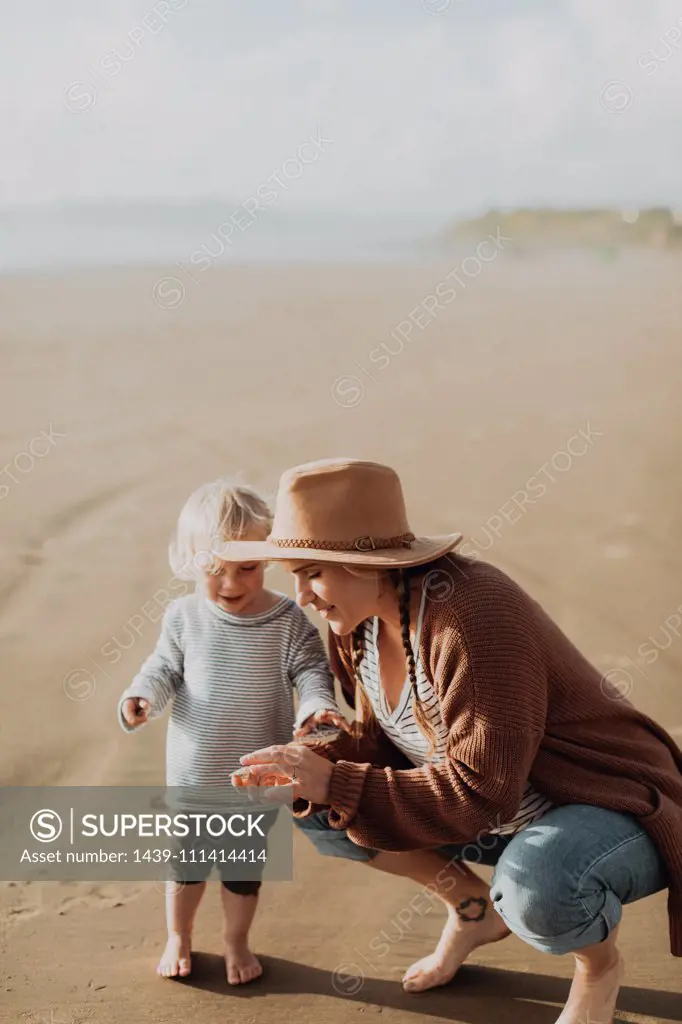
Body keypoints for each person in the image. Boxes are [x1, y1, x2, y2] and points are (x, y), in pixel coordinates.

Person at [228, 457, 682, 1024]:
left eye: (313, 571)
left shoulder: (472, 616)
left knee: (535, 888)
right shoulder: (359, 620)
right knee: (316, 802)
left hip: (607, 804)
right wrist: (313, 763)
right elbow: (389, 742)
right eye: (292, 574)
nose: (302, 597)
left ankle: (598, 967)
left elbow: (484, 793)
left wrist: (337, 779)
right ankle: (471, 910)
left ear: (369, 562)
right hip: (494, 813)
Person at [117, 477, 346, 985]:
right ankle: (179, 936)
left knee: (243, 874)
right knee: (186, 869)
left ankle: (236, 941)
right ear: (190, 561)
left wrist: (315, 708)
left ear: (268, 558)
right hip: (193, 779)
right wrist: (141, 696)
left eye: (247, 568)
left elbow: (311, 671)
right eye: (214, 571)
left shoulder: (287, 621)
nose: (231, 584)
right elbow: (162, 669)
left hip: (255, 782)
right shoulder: (183, 617)